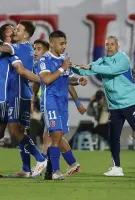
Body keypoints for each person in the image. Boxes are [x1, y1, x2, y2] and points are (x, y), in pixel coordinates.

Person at [72, 35, 135, 176]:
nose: (109, 47)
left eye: (112, 44)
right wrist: (71, 67)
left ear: (117, 46)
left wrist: (91, 66)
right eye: (107, 44)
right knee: (113, 137)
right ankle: (117, 167)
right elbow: (86, 70)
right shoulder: (102, 61)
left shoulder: (123, 59)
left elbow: (110, 70)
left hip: (129, 103)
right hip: (114, 106)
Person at [33, 39, 87, 179]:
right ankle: (54, 171)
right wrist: (62, 67)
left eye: (65, 43)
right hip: (50, 102)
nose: (64, 46)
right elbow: (46, 79)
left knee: (57, 136)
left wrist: (79, 81)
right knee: (54, 136)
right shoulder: (44, 60)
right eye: (61, 43)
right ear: (52, 44)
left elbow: (68, 80)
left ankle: (62, 167)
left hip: (62, 104)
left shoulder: (65, 59)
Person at [0, 21, 47, 178]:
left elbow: (4, 49)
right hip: (16, 94)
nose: (15, 32)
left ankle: (40, 159)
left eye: (18, 30)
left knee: (15, 131)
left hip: (19, 94)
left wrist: (40, 82)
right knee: (19, 131)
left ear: (25, 35)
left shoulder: (21, 48)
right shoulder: (25, 50)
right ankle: (26, 169)